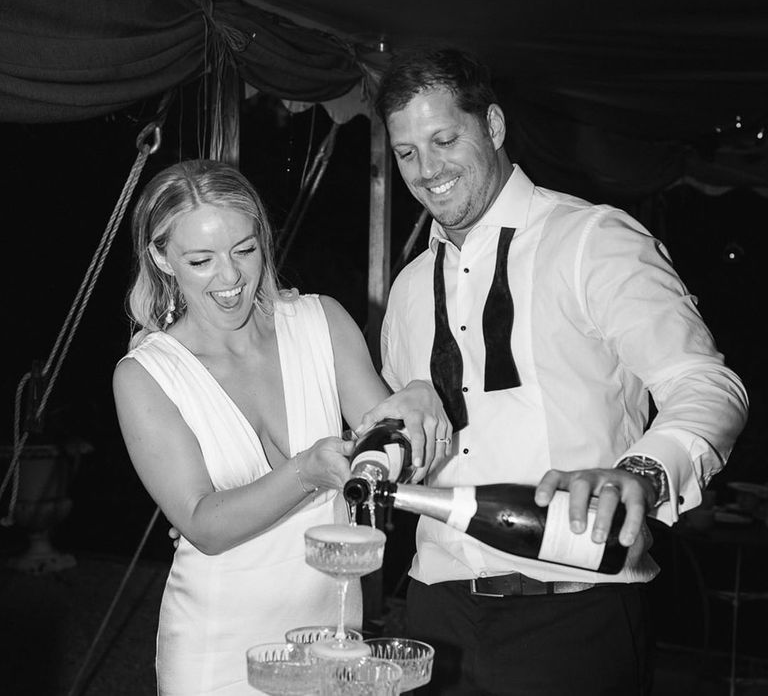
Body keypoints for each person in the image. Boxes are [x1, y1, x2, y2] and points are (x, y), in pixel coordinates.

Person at [359, 48, 749, 695]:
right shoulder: (404, 293)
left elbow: (707, 385)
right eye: (406, 153)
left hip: (574, 611)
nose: (426, 171)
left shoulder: (593, 241)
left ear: (494, 127)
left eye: (444, 139)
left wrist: (642, 474)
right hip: (434, 608)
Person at [112, 159, 450, 695]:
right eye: (201, 260)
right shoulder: (145, 376)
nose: (230, 279)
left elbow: (391, 446)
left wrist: (413, 406)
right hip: (216, 646)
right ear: (161, 258)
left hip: (332, 633)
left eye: (244, 250)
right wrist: (305, 474)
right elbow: (203, 522)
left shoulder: (322, 322)